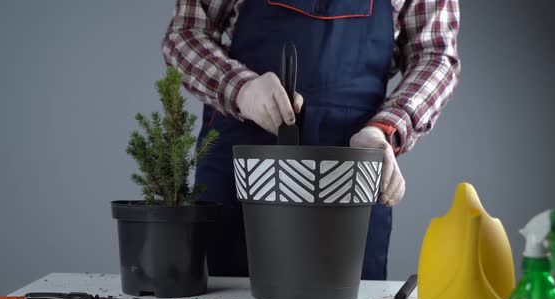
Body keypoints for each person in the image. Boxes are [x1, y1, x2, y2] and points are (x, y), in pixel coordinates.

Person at [162, 0, 460, 280]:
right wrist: (240, 88)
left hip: (353, 159)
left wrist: (385, 129)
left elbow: (435, 55)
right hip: (244, 154)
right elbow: (185, 34)